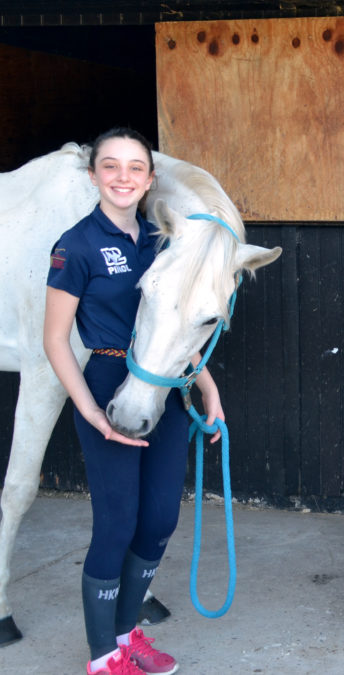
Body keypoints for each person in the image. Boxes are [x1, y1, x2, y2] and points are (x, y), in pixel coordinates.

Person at [44, 127, 224, 675]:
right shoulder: (73, 246)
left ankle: (127, 630)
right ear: (95, 174)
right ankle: (103, 658)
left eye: (135, 168)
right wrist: (91, 412)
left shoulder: (161, 239)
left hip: (164, 386)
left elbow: (177, 327)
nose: (123, 177)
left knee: (161, 518)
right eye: (111, 166)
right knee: (117, 523)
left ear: (150, 178)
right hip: (104, 381)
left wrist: (209, 389)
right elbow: (54, 340)